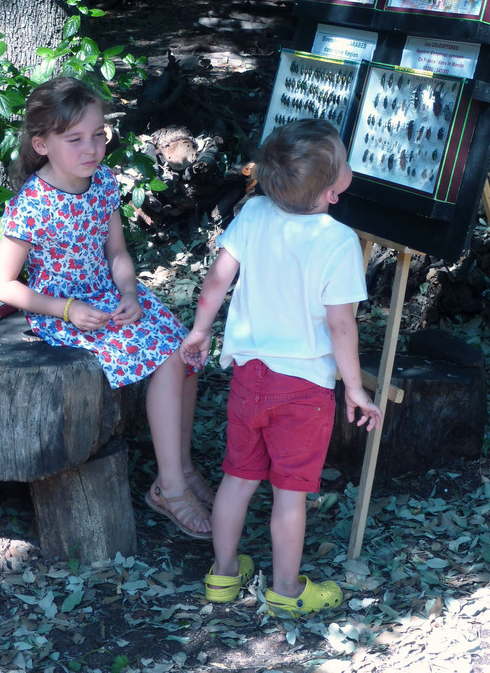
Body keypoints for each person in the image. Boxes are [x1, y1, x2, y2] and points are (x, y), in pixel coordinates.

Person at [0, 76, 213, 540]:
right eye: (75, 140)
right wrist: (66, 309)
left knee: (184, 350)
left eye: (97, 135)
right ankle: (169, 489)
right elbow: (1, 284)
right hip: (65, 312)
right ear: (42, 144)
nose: (91, 148)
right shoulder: (32, 203)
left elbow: (116, 253)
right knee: (167, 355)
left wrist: (130, 291)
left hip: (111, 297)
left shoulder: (103, 182)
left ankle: (184, 467)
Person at [180, 117, 383, 616]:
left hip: (250, 377)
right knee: (290, 495)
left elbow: (216, 280)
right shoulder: (338, 241)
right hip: (305, 388)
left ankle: (223, 577)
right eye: (345, 160)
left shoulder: (253, 214)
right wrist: (354, 388)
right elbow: (341, 326)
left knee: (238, 478)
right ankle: (287, 591)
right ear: (332, 191)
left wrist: (201, 330)